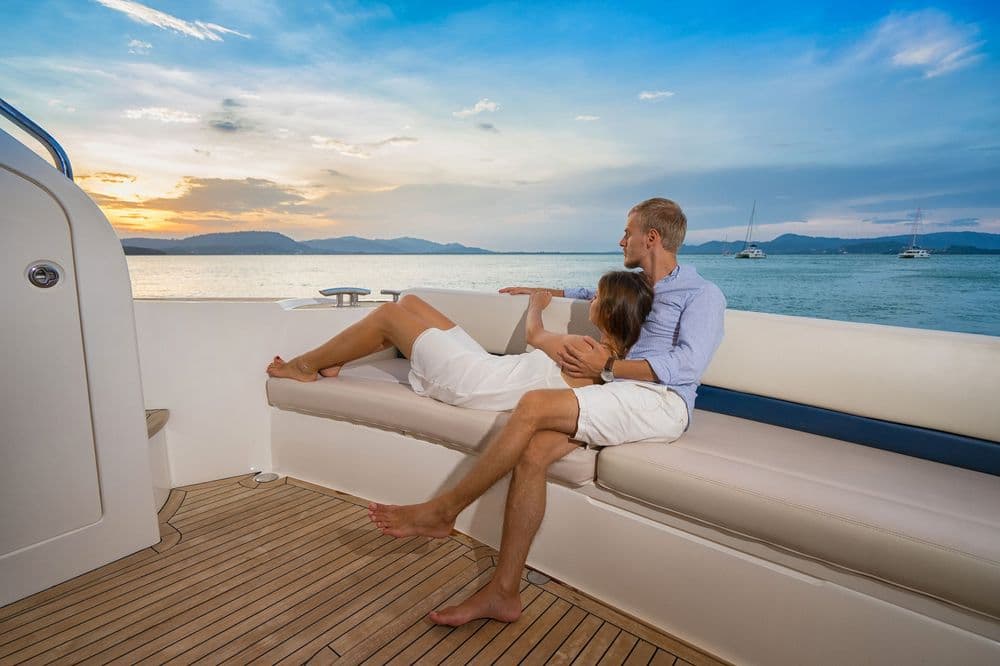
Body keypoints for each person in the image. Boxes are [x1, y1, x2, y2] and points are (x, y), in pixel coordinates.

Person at [368, 197, 726, 626]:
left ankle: (444, 511)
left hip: (661, 401)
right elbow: (593, 294)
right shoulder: (641, 288)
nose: (620, 240)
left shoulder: (704, 294)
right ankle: (504, 593)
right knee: (534, 453)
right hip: (617, 393)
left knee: (534, 405)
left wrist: (607, 366)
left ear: (651, 238)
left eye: (627, 232)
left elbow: (688, 364)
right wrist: (544, 292)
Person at [266, 270, 653, 413]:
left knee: (390, 314)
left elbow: (534, 335)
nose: (592, 301)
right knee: (412, 301)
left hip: (473, 383)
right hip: (490, 368)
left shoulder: (581, 349)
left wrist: (536, 302)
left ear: (608, 312)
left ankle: (305, 366)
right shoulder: (603, 354)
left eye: (597, 298)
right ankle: (339, 361)